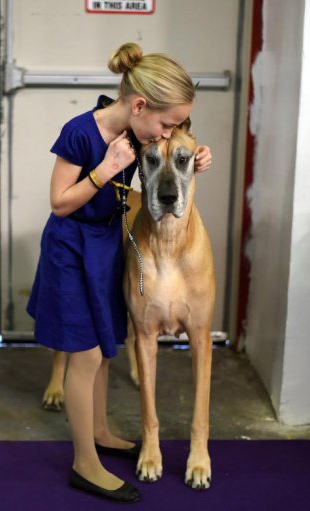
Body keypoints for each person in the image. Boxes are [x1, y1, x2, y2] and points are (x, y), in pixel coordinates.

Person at [26, 42, 212, 503]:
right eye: (166, 124)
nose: (166, 133)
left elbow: (169, 153)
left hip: (107, 246)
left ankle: (103, 431)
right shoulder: (79, 133)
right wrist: (104, 170)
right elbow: (58, 203)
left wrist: (194, 156)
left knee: (105, 346)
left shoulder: (137, 133)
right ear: (140, 105)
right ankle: (85, 463)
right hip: (72, 249)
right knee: (85, 356)